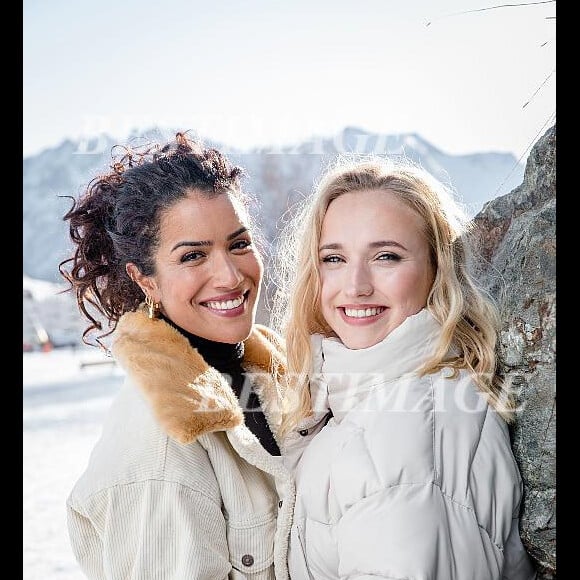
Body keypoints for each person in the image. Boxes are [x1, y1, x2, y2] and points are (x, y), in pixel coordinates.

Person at [272, 157, 537, 579]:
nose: (355, 285)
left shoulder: (410, 428)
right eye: (334, 259)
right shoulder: (366, 401)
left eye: (387, 257)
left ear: (437, 271)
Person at [59, 132, 294, 579]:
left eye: (238, 244)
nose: (229, 275)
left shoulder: (269, 373)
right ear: (144, 279)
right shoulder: (160, 450)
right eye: (192, 256)